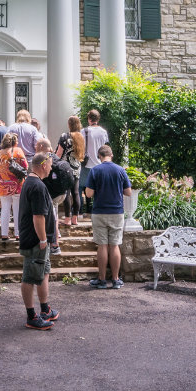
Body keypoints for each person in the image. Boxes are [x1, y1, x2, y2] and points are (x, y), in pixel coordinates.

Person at [17, 152, 59, 330]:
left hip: (40, 240)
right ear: (43, 165)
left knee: (43, 273)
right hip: (35, 240)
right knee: (30, 276)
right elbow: (38, 217)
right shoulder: (37, 186)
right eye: (50, 165)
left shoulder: (31, 182)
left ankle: (44, 309)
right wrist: (42, 238)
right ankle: (31, 316)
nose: (51, 168)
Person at [84, 144, 131, 289]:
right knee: (115, 245)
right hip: (116, 212)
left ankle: (102, 279)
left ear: (99, 156)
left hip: (99, 212)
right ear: (111, 155)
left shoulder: (95, 170)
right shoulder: (120, 170)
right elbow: (128, 192)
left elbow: (89, 194)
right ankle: (116, 280)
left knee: (102, 245)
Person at [0, 132, 27, 241]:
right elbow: (25, 166)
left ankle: (4, 234)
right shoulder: (18, 151)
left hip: (3, 184)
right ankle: (18, 234)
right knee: (17, 209)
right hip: (17, 184)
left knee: (5, 209)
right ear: (14, 142)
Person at [56, 116, 86, 226]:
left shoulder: (65, 136)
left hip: (65, 168)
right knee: (76, 192)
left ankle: (67, 218)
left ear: (69, 124)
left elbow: (59, 153)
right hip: (77, 167)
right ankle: (75, 218)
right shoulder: (81, 138)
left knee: (67, 193)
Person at [79, 109, 109, 218]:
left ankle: (80, 212)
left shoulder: (84, 131)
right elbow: (106, 147)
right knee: (97, 188)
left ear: (89, 119)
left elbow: (80, 147)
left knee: (80, 187)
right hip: (100, 165)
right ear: (98, 119)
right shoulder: (103, 132)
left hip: (87, 164)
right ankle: (95, 210)